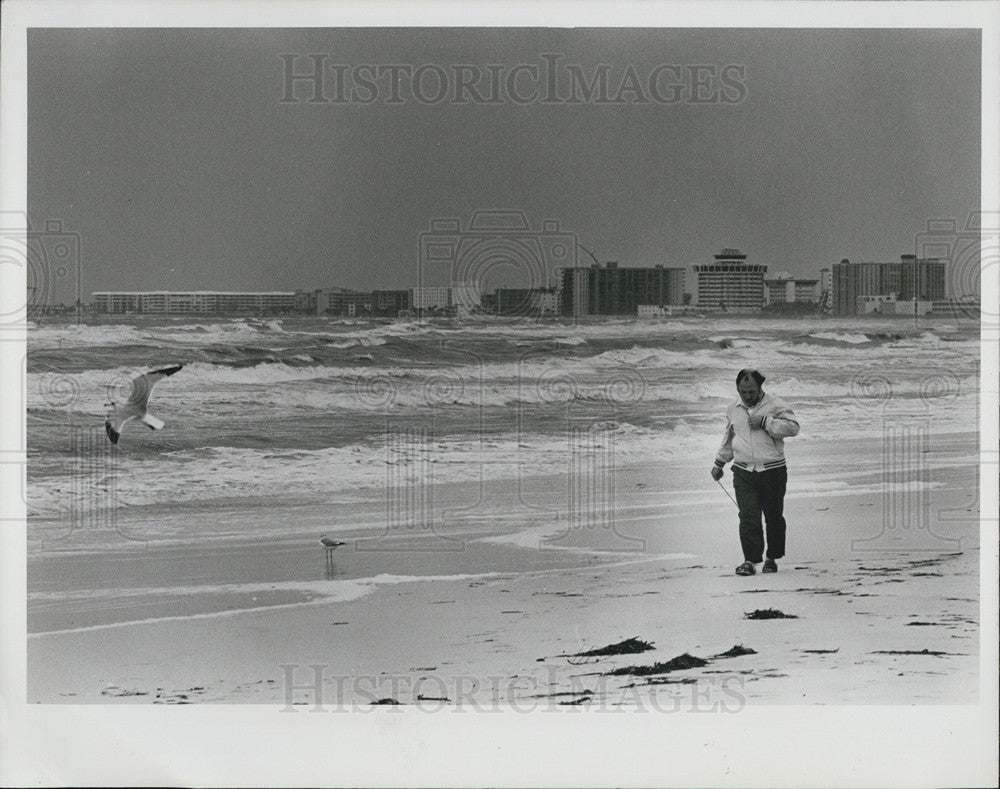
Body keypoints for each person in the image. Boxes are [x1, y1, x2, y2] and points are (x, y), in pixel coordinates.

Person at [710, 368, 800, 576]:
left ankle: (771, 558)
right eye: (743, 392)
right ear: (738, 390)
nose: (747, 396)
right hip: (743, 471)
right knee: (748, 516)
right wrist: (719, 463)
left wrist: (765, 422)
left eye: (751, 391)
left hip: (773, 470)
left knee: (773, 517)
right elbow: (728, 439)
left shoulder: (777, 405)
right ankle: (749, 561)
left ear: (760, 387)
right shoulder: (733, 408)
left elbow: (793, 428)